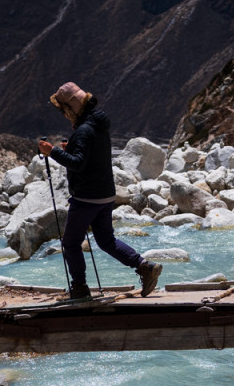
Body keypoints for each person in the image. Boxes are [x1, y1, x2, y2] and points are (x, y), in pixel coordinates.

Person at [39, 81, 162, 302]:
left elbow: (77, 164)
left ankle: (79, 289)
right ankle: (144, 266)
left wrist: (53, 152)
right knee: (106, 240)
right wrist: (72, 148)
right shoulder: (97, 125)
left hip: (86, 197)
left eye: (64, 111)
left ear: (71, 108)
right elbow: (89, 155)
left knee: (70, 243)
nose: (65, 116)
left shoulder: (84, 130)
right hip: (105, 195)